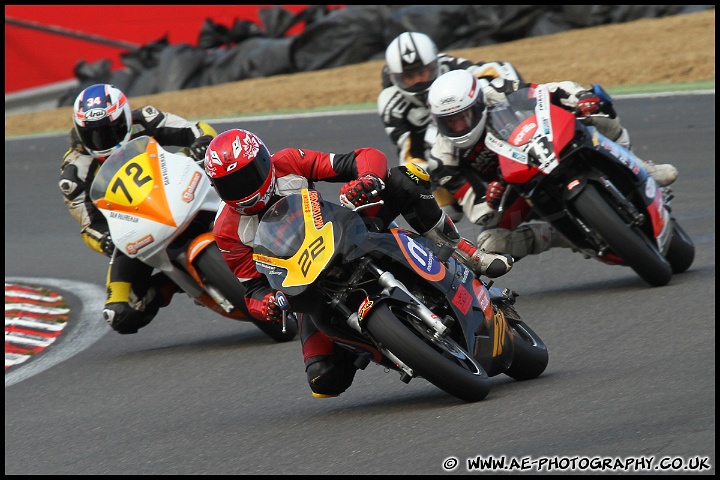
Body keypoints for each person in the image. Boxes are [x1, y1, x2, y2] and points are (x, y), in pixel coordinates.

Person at [203, 128, 513, 398]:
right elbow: (251, 289)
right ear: (218, 189)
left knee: (403, 178)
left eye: (247, 175)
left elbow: (359, 157)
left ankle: (466, 252)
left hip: (345, 236)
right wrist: (268, 303)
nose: (243, 189)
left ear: (264, 162)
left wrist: (367, 178)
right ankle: (396, 351)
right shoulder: (226, 230)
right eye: (232, 184)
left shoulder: (288, 162)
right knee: (324, 380)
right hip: (308, 285)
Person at [425, 69, 679, 259]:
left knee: (596, 113)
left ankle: (639, 166)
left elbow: (546, 93)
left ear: (478, 104)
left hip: (540, 145)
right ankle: (562, 235)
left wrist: (580, 97)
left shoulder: (496, 91)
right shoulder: (441, 158)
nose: (458, 126)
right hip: (513, 192)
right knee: (489, 243)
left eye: (463, 117)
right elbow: (477, 211)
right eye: (450, 122)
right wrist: (490, 200)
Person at [58, 83, 218, 334]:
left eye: (112, 130)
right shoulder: (74, 171)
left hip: (177, 189)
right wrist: (106, 241)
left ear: (125, 118)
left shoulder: (145, 119)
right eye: (94, 135)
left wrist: (204, 142)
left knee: (230, 166)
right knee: (120, 313)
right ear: (80, 131)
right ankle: (173, 282)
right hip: (134, 226)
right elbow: (89, 225)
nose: (105, 140)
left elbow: (195, 129)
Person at [377, 31, 524, 222]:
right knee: (439, 208)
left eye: (422, 72)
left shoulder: (449, 66)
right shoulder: (391, 103)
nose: (418, 82)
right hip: (445, 158)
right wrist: (428, 174)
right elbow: (409, 152)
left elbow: (496, 70)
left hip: (483, 134)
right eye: (409, 77)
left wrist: (494, 89)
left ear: (435, 64)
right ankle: (463, 237)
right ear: (395, 77)